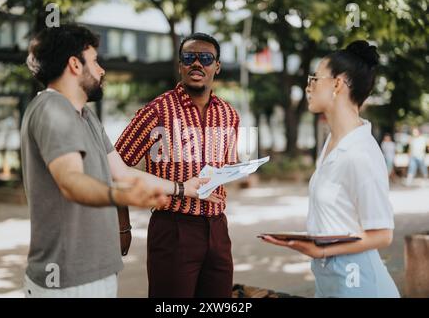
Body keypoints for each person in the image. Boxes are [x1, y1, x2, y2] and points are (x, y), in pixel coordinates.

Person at [21, 24, 209, 298]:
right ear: (75, 64)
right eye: (95, 61)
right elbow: (71, 181)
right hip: (67, 280)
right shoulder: (52, 108)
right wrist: (125, 196)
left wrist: (183, 188)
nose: (101, 70)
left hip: (97, 273)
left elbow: (123, 173)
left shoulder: (85, 116)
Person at [261, 40, 400, 298]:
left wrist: (323, 249)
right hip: (330, 284)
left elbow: (382, 235)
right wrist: (313, 239)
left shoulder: (361, 153)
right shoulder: (331, 142)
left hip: (361, 286)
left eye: (314, 79)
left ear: (337, 84)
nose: (308, 86)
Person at [115, 33, 239, 298]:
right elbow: (115, 167)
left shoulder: (230, 115)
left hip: (218, 228)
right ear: (180, 65)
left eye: (205, 58)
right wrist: (122, 225)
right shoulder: (156, 111)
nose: (197, 64)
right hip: (173, 228)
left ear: (216, 66)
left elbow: (227, 165)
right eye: (189, 57)